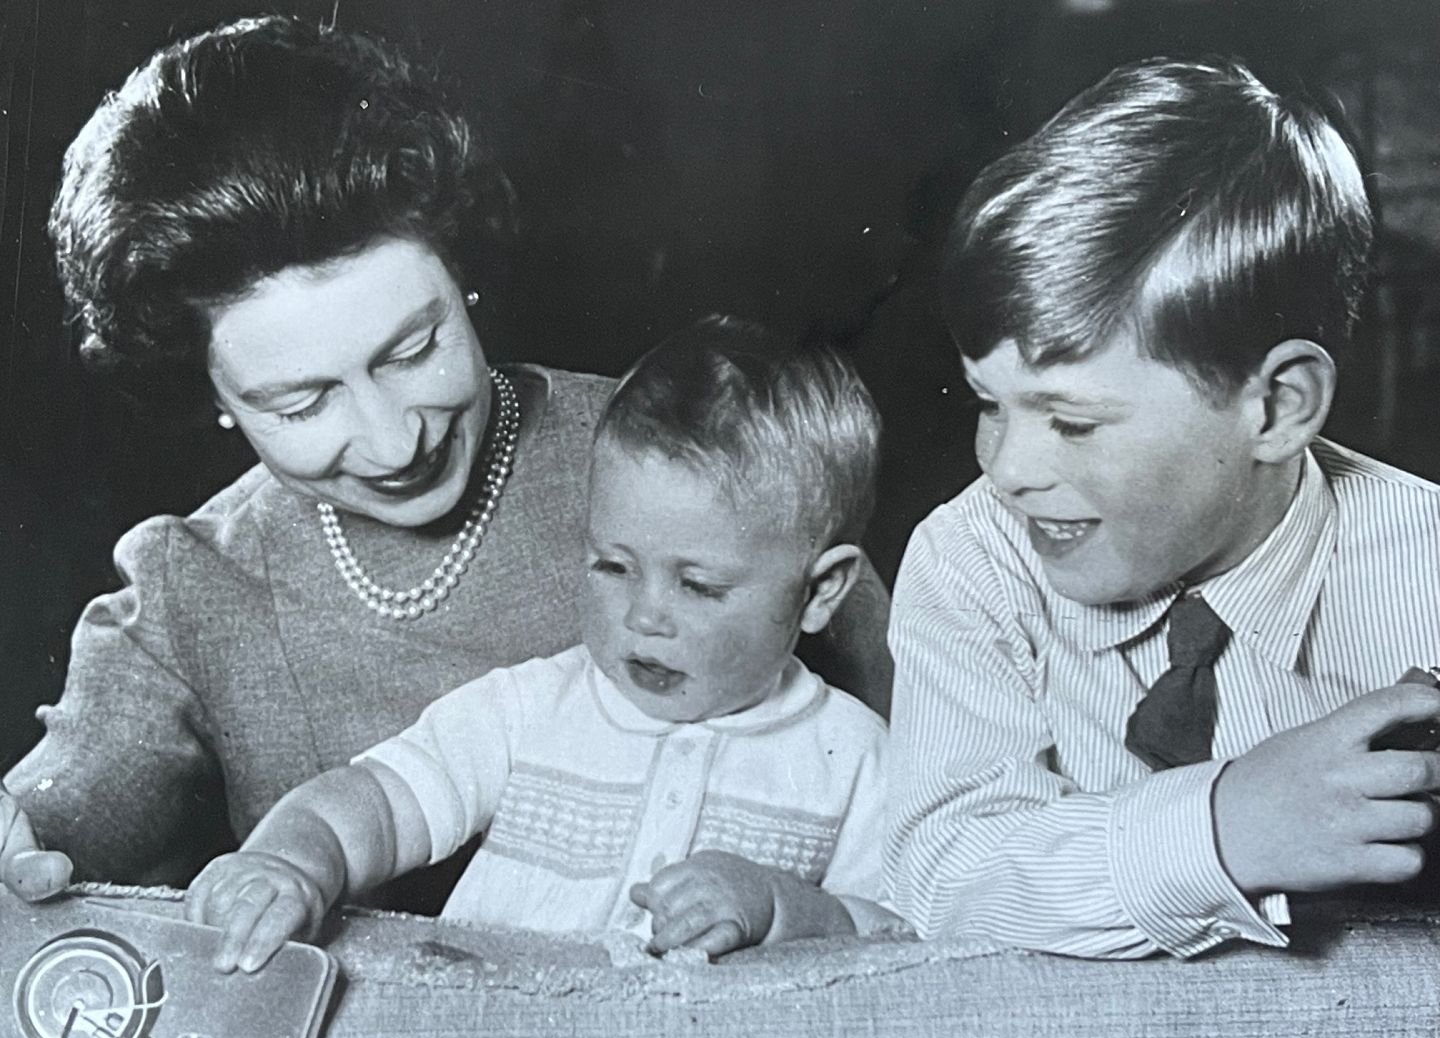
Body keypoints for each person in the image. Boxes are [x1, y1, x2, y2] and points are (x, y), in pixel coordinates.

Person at [0, 16, 892, 909]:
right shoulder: (189, 584)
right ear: (213, 396)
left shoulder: (717, 470)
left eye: (414, 349)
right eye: (302, 404)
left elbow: (927, 836)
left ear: (461, 275)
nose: (397, 442)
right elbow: (48, 831)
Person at [884, 57, 1440, 960]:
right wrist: (1224, 826)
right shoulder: (974, 557)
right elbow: (945, 872)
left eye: (1072, 421)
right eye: (989, 403)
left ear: (1277, 407)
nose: (1007, 468)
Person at [183, 317, 899, 971]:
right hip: (491, 1033)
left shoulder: (858, 758)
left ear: (821, 591)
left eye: (699, 586)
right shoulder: (531, 707)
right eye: (612, 566)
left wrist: (778, 908)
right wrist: (293, 862)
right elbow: (375, 803)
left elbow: (902, 939)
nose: (644, 616)